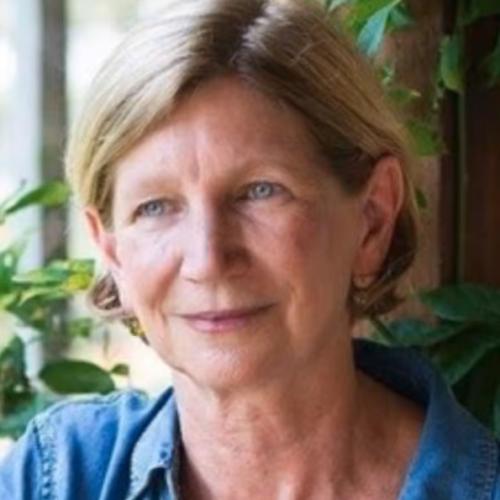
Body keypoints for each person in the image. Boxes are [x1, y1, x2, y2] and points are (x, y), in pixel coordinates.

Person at [1, 0, 499, 498]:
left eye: (260, 191)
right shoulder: (56, 478)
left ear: (372, 218)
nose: (207, 260)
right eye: (155, 207)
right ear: (112, 252)